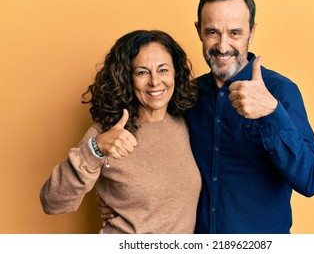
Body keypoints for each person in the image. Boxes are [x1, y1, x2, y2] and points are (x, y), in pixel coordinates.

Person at [99, 0, 314, 234]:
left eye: (235, 33)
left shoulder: (280, 92)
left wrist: (272, 113)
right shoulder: (186, 95)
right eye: (213, 32)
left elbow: (311, 181)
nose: (223, 45)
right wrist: (118, 199)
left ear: (251, 32)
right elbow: (155, 155)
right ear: (198, 31)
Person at [39, 30, 201, 234]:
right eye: (142, 72)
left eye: (163, 70)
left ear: (176, 73)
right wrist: (95, 149)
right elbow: (52, 202)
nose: (154, 81)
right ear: (127, 78)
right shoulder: (107, 133)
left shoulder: (185, 124)